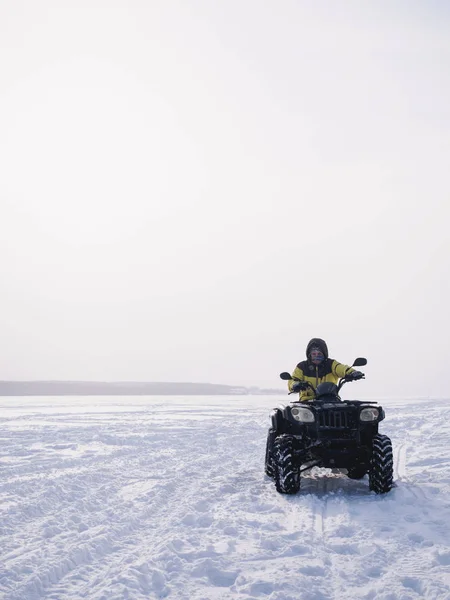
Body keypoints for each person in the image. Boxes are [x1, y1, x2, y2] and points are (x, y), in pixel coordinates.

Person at [288, 338, 364, 402]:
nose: (316, 357)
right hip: (307, 402)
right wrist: (295, 385)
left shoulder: (331, 364)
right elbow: (292, 380)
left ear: (324, 354)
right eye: (314, 354)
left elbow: (341, 368)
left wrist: (352, 372)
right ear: (309, 355)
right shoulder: (302, 366)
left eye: (319, 354)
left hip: (331, 400)